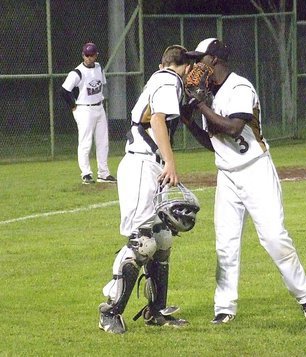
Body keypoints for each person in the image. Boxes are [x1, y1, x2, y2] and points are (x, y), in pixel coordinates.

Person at [184, 38, 306, 324]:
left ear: (215, 61)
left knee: (274, 238)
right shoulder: (208, 94)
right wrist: (189, 121)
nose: (197, 66)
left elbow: (234, 129)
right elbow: (216, 143)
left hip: (256, 171)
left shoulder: (240, 87)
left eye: (201, 59)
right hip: (227, 176)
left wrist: (199, 105)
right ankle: (224, 308)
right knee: (225, 244)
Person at [98, 45, 192, 334]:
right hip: (141, 166)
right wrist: (171, 162)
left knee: (162, 239)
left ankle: (156, 311)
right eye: (191, 68)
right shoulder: (168, 80)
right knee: (143, 243)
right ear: (183, 66)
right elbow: (157, 119)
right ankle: (110, 312)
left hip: (148, 165)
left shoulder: (161, 79)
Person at [61, 42, 116, 184]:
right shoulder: (77, 72)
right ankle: (86, 173)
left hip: (99, 107)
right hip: (84, 108)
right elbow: (64, 91)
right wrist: (73, 106)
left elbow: (103, 85)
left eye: (92, 55)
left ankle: (103, 173)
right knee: (85, 142)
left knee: (103, 141)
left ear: (96, 55)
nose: (89, 57)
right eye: (87, 55)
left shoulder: (99, 68)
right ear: (83, 55)